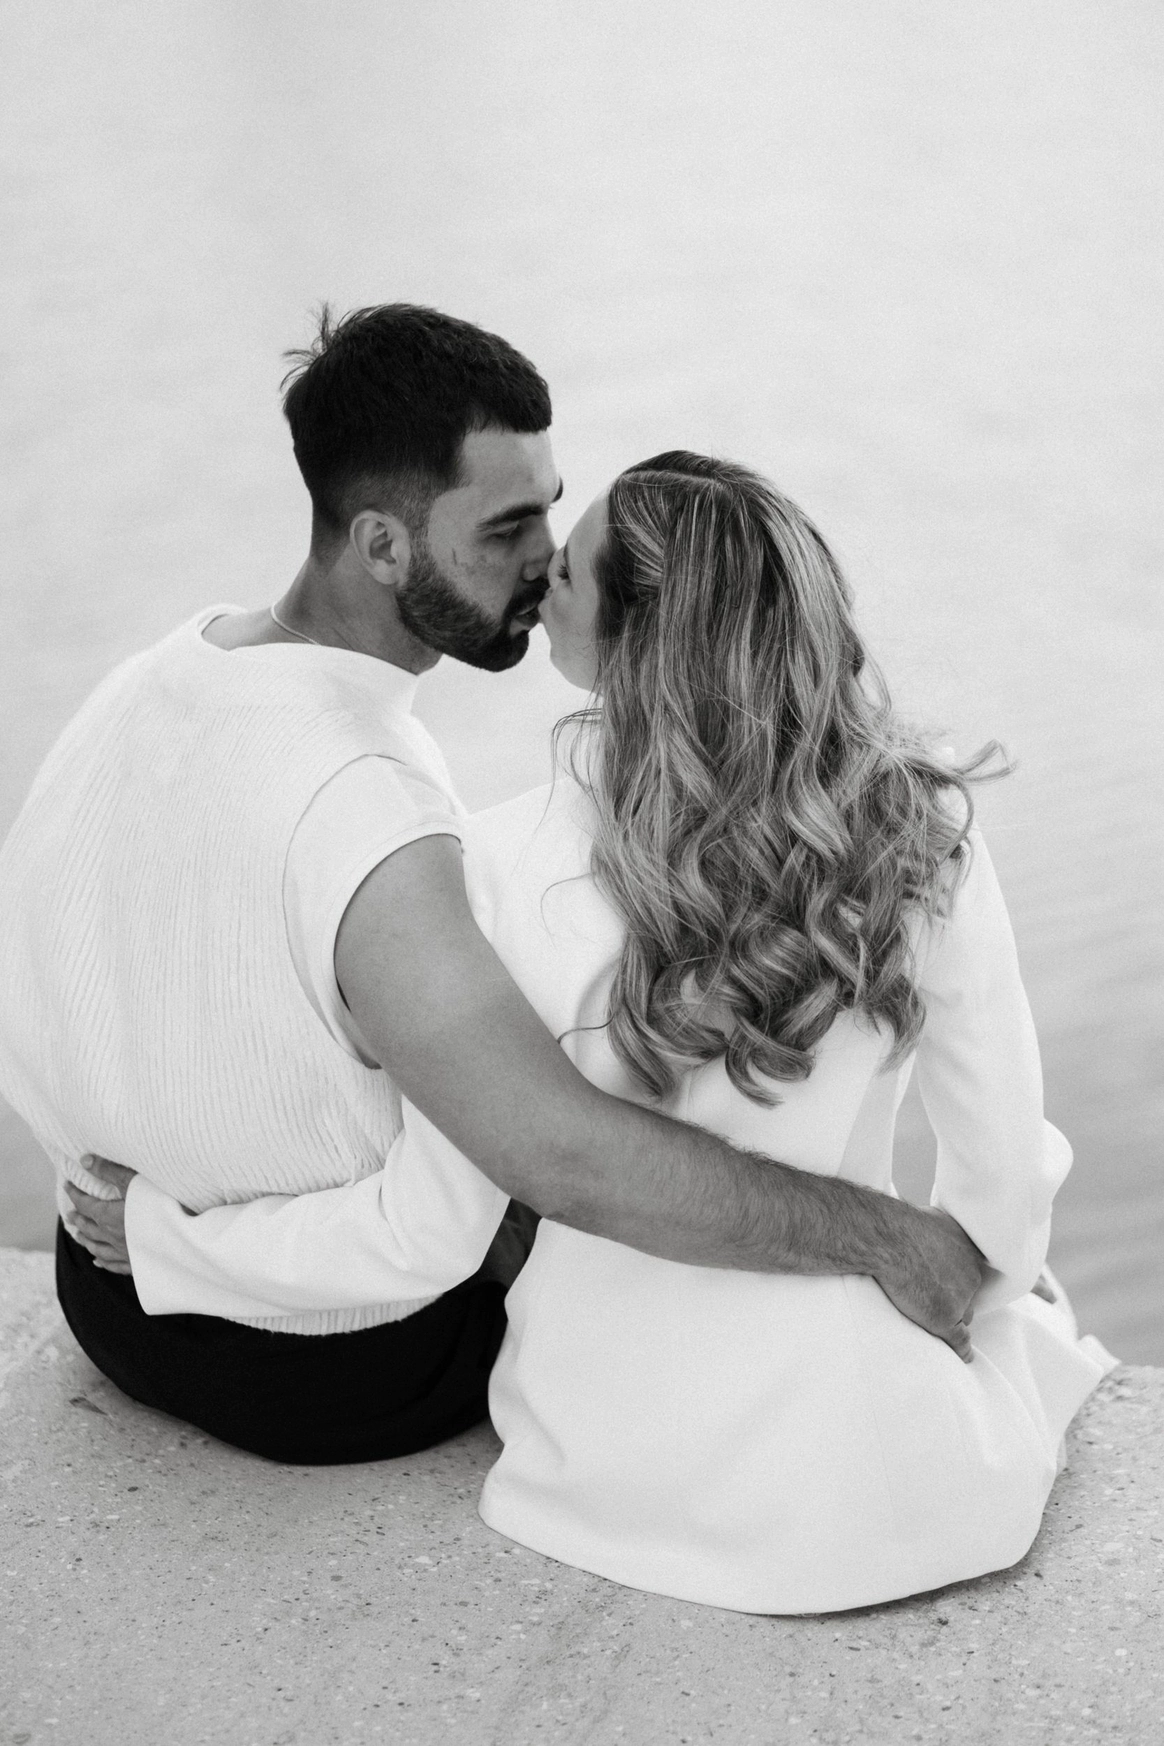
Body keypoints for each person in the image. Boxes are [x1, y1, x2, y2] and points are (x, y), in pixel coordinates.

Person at [69, 453, 1114, 1613]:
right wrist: (973, 1290)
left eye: (566, 570)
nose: (540, 577)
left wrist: (168, 1241)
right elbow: (1002, 1168)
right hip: (873, 1455)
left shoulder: (494, 869)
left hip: (617, 1466)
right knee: (1034, 1331)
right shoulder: (920, 835)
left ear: (631, 639)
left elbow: (427, 1234)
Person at [0, 309, 982, 1469]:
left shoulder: (154, 675)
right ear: (382, 545)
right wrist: (885, 1236)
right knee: (624, 1191)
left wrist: (151, 1214)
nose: (550, 562)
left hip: (98, 1293)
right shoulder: (371, 810)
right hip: (327, 1365)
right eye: (508, 528)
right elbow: (555, 1161)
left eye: (550, 510)